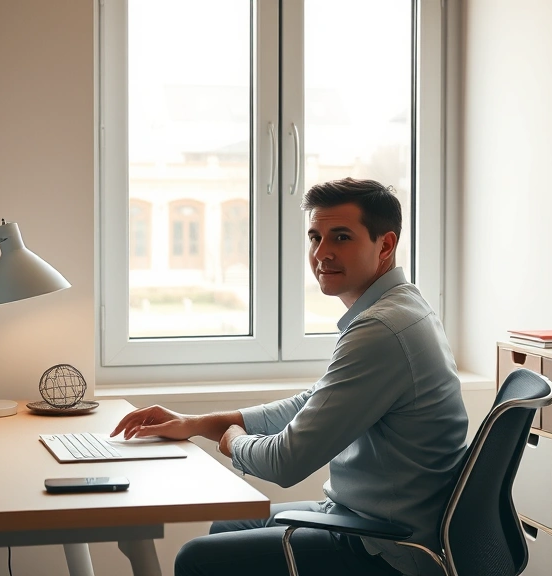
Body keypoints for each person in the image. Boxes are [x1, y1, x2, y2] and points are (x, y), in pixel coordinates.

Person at [111, 177, 468, 576]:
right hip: (365, 518)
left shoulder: (382, 330)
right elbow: (312, 402)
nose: (321, 253)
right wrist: (198, 423)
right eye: (315, 237)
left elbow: (286, 462)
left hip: (385, 546)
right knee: (227, 528)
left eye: (341, 237)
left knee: (196, 558)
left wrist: (231, 440)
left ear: (385, 245)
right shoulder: (399, 306)